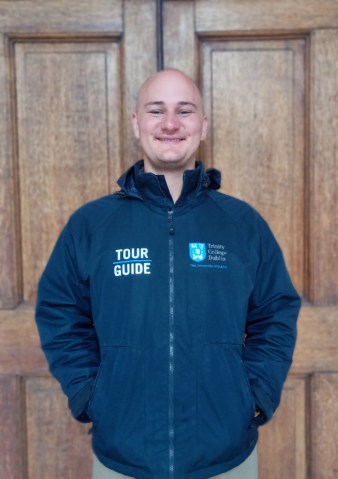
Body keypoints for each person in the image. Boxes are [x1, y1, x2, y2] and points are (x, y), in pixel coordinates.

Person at [35, 68, 301, 479]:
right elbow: (60, 313)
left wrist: (255, 395)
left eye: (185, 110)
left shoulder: (242, 224)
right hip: (123, 460)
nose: (171, 124)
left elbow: (276, 313)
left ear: (204, 125)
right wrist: (91, 395)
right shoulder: (92, 225)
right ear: (136, 124)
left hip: (226, 458)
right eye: (156, 110)